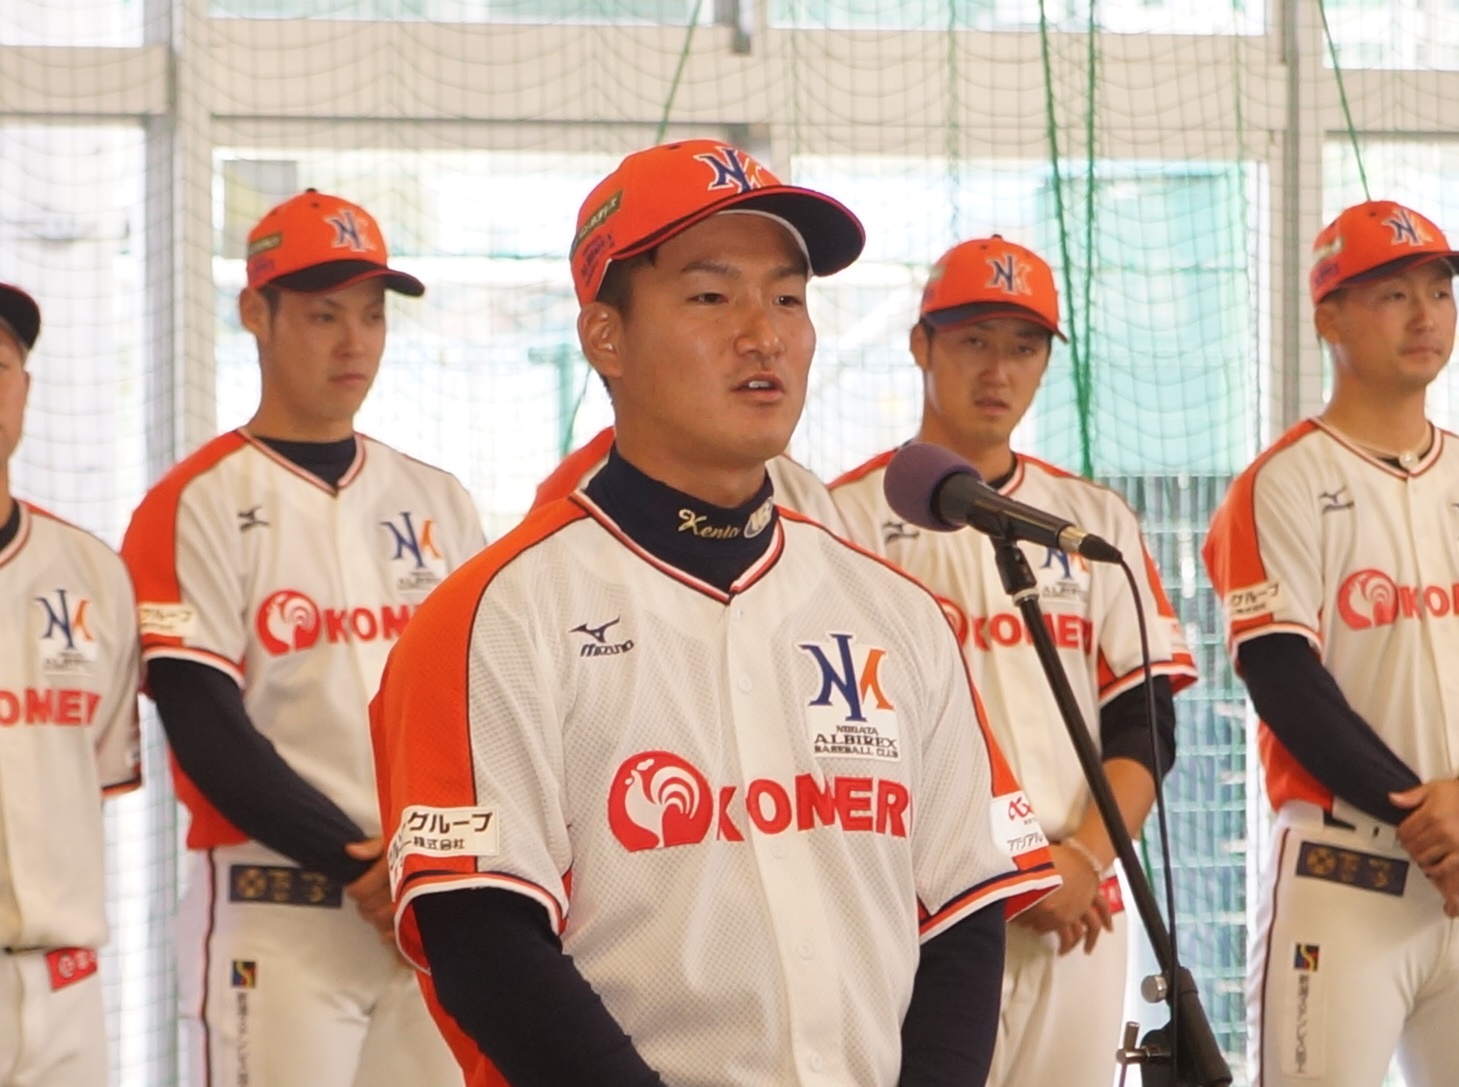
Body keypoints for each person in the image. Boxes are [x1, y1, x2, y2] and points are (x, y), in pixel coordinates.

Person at [370, 139, 1060, 1087]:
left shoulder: (897, 612)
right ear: (605, 337)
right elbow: (484, 939)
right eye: (710, 295)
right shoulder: (495, 613)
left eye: (787, 298)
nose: (762, 334)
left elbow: (964, 909)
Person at [121, 190, 484, 1087]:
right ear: (257, 311)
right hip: (277, 905)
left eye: (371, 315)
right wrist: (360, 866)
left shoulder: (437, 499)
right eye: (325, 315)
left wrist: (433, 862)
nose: (354, 342)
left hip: (425, 906)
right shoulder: (193, 501)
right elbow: (204, 721)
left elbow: (483, 698)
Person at [831, 236, 1197, 1087]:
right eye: (973, 340)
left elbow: (1144, 721)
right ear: (920, 345)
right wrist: (1003, 871)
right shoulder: (842, 517)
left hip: (1077, 901)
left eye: (1024, 346)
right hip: (919, 904)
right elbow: (842, 738)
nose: (998, 369)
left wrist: (1083, 859)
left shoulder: (1086, 517)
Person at [1204, 199, 1459, 1087]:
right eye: (1392, 293)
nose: (1424, 315)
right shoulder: (1280, 481)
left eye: (1438, 290)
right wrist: (1430, 816)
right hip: (1345, 872)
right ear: (1328, 319)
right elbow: (1284, 680)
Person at [0, 282, 141, 1086]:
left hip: (67, 984)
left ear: (25, 388)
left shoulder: (91, 572)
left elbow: (94, 772)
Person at [533, 424, 848, 534]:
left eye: (786, 301)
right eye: (709, 300)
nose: (766, 340)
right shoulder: (575, 485)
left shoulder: (804, 490)